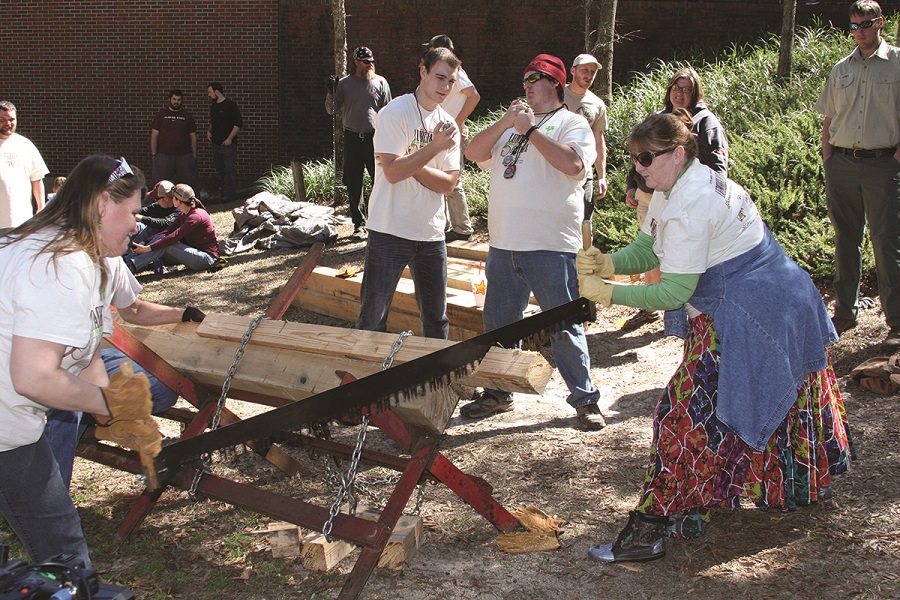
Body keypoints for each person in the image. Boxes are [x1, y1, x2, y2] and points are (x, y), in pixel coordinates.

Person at [577, 110, 853, 563]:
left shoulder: (693, 203)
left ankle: (651, 528)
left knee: (681, 418)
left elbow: (673, 291)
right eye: (634, 160)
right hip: (759, 298)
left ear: (679, 152)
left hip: (759, 309)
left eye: (647, 158)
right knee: (707, 411)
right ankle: (696, 504)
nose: (639, 168)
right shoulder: (675, 187)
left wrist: (606, 294)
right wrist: (608, 262)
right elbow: (650, 248)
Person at [0, 155, 161, 567]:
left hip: (11, 427)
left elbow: (80, 355)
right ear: (103, 203)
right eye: (134, 213)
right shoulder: (61, 263)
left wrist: (119, 412)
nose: (137, 225)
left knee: (60, 543)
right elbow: (34, 376)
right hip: (7, 424)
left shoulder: (80, 255)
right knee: (65, 554)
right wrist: (110, 405)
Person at [463, 53, 605, 431]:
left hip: (549, 245)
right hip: (504, 244)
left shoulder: (572, 124)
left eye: (536, 77)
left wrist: (530, 130)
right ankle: (498, 392)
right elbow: (473, 152)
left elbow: (574, 166)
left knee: (563, 325)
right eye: (525, 76)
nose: (527, 82)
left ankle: (585, 400)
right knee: (500, 325)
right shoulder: (512, 125)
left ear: (556, 83)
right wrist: (508, 122)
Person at [44, 259, 206, 488]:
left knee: (162, 389)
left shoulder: (111, 259)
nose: (135, 226)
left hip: (91, 357)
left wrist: (183, 313)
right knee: (68, 408)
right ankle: (49, 497)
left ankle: (94, 420)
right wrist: (99, 401)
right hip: (47, 362)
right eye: (128, 220)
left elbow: (134, 310)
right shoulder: (54, 263)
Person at [355, 47, 461, 339]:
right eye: (440, 77)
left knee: (436, 320)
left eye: (451, 81)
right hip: (390, 230)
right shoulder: (395, 112)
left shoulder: (448, 126)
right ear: (423, 71)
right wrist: (433, 149)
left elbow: (448, 184)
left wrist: (409, 161)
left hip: (431, 235)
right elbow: (391, 173)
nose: (445, 87)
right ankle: (369, 382)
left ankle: (435, 381)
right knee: (373, 319)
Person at [815, 0, 900, 351]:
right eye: (854, 25)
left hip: (883, 164)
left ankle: (895, 320)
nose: (860, 30)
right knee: (845, 238)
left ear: (880, 22)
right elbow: (829, 116)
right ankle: (845, 313)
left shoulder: (897, 62)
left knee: (886, 240)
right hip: (843, 164)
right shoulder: (841, 68)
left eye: (865, 23)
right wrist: (828, 154)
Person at [621, 67, 729, 331]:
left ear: (695, 93)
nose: (680, 94)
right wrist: (631, 186)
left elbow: (717, 166)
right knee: (652, 252)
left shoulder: (706, 121)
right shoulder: (657, 119)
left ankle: (684, 312)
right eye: (676, 88)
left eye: (686, 89)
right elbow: (639, 156)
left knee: (679, 257)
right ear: (668, 89)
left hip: (686, 204)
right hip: (651, 197)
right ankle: (651, 309)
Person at [326, 46, 392, 239]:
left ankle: (379, 222)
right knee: (354, 182)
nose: (369, 65)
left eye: (372, 61)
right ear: (356, 62)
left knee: (379, 180)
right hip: (353, 137)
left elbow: (388, 111)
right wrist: (331, 92)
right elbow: (332, 110)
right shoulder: (345, 84)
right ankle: (359, 224)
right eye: (365, 62)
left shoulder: (380, 82)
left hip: (375, 138)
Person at [422, 35, 480, 242]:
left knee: (452, 180)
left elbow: (474, 95)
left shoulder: (456, 72)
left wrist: (456, 121)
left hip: (450, 133)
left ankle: (463, 228)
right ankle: (446, 225)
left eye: (432, 49)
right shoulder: (444, 73)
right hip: (443, 132)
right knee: (440, 177)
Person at [125, 183, 219, 273]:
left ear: (179, 201)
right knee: (161, 240)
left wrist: (148, 248)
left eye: (173, 197)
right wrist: (145, 242)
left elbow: (175, 236)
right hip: (193, 254)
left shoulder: (196, 216)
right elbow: (167, 231)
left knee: (166, 243)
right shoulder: (183, 214)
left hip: (206, 258)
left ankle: (131, 266)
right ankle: (125, 261)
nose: (171, 199)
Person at [564, 53, 609, 216]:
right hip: (555, 170)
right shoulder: (555, 95)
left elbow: (598, 141)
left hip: (584, 173)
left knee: (584, 222)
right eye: (584, 70)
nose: (588, 75)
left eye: (592, 72)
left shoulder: (597, 104)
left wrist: (601, 176)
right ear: (573, 70)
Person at [0, 101, 49, 228]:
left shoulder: (26, 145)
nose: (8, 123)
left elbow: (37, 179)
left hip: (22, 222)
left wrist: (41, 208)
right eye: (2, 119)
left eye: (11, 119)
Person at [151, 89, 199, 189]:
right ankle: (159, 204)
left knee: (188, 186)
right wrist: (154, 155)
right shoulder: (161, 115)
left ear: (182, 101)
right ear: (169, 99)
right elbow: (154, 135)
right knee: (160, 186)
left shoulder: (187, 116)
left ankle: (190, 204)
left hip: (184, 156)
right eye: (174, 99)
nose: (176, 102)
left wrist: (193, 156)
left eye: (178, 100)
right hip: (164, 156)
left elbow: (193, 136)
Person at [206, 82, 243, 201]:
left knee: (229, 170)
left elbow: (238, 124)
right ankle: (222, 194)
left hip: (228, 145)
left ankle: (229, 195)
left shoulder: (230, 105)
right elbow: (213, 123)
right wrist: (209, 131)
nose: (209, 95)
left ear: (217, 92)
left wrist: (229, 139)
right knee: (220, 170)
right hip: (216, 143)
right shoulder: (213, 107)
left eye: (210, 92)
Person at [132, 180, 179, 245]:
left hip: (176, 243)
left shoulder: (179, 208)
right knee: (136, 225)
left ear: (166, 198)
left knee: (152, 230)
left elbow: (165, 224)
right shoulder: (159, 205)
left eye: (157, 198)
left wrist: (141, 218)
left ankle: (129, 252)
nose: (156, 201)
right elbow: (143, 211)